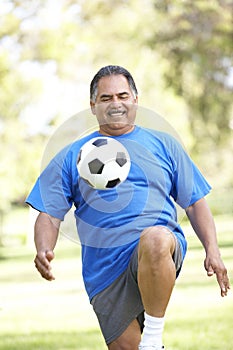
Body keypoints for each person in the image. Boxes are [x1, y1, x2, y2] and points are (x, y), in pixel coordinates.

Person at [26, 65, 230, 350]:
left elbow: (195, 202)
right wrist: (44, 248)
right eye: (106, 98)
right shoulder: (73, 156)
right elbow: (49, 212)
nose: (116, 104)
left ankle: (153, 337)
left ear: (135, 99)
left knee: (156, 238)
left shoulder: (164, 145)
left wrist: (213, 251)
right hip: (105, 268)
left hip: (159, 249)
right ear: (93, 106)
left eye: (123, 95)